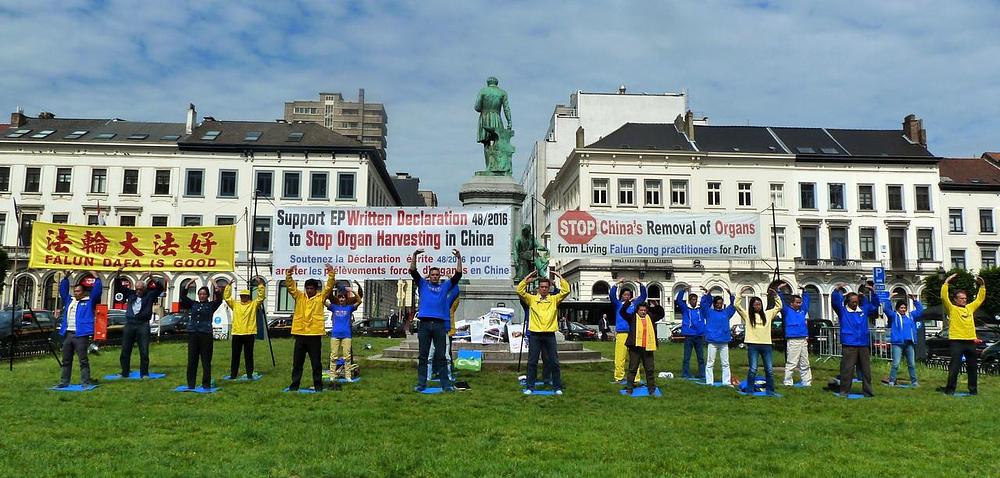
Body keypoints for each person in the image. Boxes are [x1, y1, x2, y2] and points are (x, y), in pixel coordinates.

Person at [410, 248, 463, 392]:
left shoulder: (444, 286)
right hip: (425, 324)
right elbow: (413, 270)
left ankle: (446, 384)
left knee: (441, 356)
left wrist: (459, 258)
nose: (434, 277)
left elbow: (458, 275)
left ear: (440, 277)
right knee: (423, 356)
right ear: (429, 276)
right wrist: (414, 255)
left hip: (439, 325)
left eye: (436, 275)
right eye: (432, 275)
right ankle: (421, 384)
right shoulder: (423, 284)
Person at [517, 270, 571, 395]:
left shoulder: (554, 299)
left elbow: (566, 290)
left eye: (546, 287)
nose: (544, 289)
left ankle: (557, 386)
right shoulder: (531, 299)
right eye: (542, 287)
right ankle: (530, 387)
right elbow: (519, 291)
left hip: (549, 335)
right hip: (535, 335)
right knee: (532, 362)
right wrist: (527, 278)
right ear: (538, 288)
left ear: (549, 288)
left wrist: (560, 277)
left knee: (554, 362)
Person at [286, 264, 336, 391]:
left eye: (311, 288)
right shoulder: (299, 296)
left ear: (316, 289)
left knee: (316, 363)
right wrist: (289, 274)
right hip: (300, 334)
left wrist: (331, 274)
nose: (309, 290)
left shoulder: (321, 297)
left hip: (314, 335)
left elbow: (329, 287)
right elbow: (291, 287)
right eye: (307, 288)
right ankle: (294, 385)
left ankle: (318, 386)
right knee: (297, 363)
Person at [939, 273, 986, 395]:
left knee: (972, 367)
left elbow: (979, 299)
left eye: (965, 298)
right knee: (955, 367)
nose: (964, 300)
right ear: (955, 299)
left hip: (970, 341)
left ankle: (973, 391)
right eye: (961, 298)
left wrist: (982, 286)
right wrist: (946, 283)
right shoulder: (952, 308)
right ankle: (950, 390)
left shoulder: (970, 308)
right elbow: (944, 297)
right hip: (957, 341)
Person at [57, 271, 103, 388]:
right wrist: (66, 277)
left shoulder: (88, 301)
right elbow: (62, 291)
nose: (76, 293)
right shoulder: (69, 300)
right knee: (66, 360)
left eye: (78, 291)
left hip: (81, 334)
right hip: (68, 333)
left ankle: (85, 382)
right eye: (75, 291)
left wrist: (96, 277)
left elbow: (97, 291)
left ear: (83, 293)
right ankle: (64, 381)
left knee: (83, 360)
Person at [831, 283, 878, 397]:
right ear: (848, 301)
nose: (855, 303)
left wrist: (873, 293)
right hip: (849, 343)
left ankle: (868, 392)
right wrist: (838, 290)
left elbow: (875, 305)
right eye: (853, 301)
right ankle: (844, 391)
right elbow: (835, 302)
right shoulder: (843, 311)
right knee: (847, 370)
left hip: (863, 343)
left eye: (856, 301)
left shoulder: (863, 309)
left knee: (866, 370)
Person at [735, 288, 782, 395]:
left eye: (759, 304)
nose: (758, 306)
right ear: (752, 306)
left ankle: (770, 391)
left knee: (769, 370)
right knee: (753, 369)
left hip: (766, 345)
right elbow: (737, 306)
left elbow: (779, 307)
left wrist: (776, 296)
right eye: (756, 304)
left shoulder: (768, 314)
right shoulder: (747, 315)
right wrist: (740, 294)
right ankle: (750, 390)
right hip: (753, 345)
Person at [180, 281, 223, 390]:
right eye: (200, 294)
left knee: (206, 361)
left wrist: (217, 290)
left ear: (207, 295)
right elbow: (183, 297)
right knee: (192, 361)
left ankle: (206, 384)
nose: (202, 296)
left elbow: (219, 300)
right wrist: (187, 286)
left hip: (206, 335)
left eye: (204, 294)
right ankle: (191, 384)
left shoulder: (211, 305)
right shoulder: (194, 304)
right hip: (193, 334)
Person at [223, 280, 266, 380]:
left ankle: (249, 374)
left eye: (245, 296)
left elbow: (261, 297)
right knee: (235, 356)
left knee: (249, 355)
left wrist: (260, 285)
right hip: (237, 333)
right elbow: (227, 297)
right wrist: (228, 286)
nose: (243, 297)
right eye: (242, 296)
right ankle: (233, 374)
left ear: (248, 297)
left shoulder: (253, 304)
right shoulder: (235, 304)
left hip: (249, 333)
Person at [120, 272, 160, 378]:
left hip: (143, 324)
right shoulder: (131, 294)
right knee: (125, 350)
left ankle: (144, 373)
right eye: (137, 289)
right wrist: (119, 273)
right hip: (130, 324)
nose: (138, 291)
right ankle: (125, 372)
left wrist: (151, 277)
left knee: (144, 350)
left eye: (140, 289)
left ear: (145, 289)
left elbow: (160, 288)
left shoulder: (149, 295)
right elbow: (118, 285)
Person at [882, 294, 924, 387]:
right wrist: (889, 299)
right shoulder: (894, 316)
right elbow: (886, 310)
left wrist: (915, 300)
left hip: (909, 343)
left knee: (912, 364)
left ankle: (914, 382)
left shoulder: (911, 315)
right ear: (897, 308)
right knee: (896, 364)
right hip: (898, 343)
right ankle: (892, 381)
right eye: (901, 308)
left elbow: (920, 311)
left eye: (905, 308)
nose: (903, 309)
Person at [610, 280, 647, 384]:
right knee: (619, 357)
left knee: (634, 357)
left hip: (632, 333)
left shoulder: (634, 304)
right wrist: (617, 283)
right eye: (625, 294)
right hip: (621, 333)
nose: (627, 296)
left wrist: (641, 284)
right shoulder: (618, 304)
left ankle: (636, 378)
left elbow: (643, 296)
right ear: (621, 295)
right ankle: (619, 377)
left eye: (629, 295)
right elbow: (612, 295)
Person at [619, 301, 657, 396]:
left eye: (645, 310)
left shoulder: (650, 317)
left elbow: (661, 314)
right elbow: (622, 312)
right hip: (635, 348)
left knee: (650, 369)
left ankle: (651, 389)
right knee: (632, 369)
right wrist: (628, 302)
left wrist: (656, 305)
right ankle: (629, 389)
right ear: (637, 310)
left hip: (648, 348)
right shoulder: (632, 318)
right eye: (641, 310)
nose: (643, 312)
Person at [327, 280, 362, 380]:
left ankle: (348, 376)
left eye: (343, 297)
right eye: (340, 297)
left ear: (346, 299)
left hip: (347, 335)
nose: (341, 299)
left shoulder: (349, 308)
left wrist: (353, 291)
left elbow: (359, 301)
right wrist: (332, 285)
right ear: (338, 298)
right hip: (335, 335)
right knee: (333, 356)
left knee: (347, 357)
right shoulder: (334, 307)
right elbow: (323, 299)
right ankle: (332, 376)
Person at [779, 282, 813, 387]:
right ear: (791, 303)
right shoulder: (786, 310)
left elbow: (806, 301)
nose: (800, 304)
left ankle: (806, 382)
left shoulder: (802, 310)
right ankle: (788, 382)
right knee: (792, 362)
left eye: (800, 302)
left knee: (805, 362)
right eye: (797, 302)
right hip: (793, 339)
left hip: (803, 339)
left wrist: (805, 291)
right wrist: (779, 290)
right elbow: (780, 301)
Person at [701, 289, 735, 386]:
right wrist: (707, 295)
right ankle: (709, 382)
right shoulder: (709, 312)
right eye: (718, 303)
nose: (720, 304)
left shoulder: (726, 312)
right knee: (710, 362)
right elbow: (703, 305)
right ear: (714, 304)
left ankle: (726, 382)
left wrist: (731, 295)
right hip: (712, 341)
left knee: (725, 363)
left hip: (724, 341)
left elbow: (734, 306)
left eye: (721, 303)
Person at [676, 286, 706, 379]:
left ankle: (702, 374)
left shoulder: (700, 310)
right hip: (689, 336)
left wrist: (706, 293)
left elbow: (707, 303)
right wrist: (683, 290)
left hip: (699, 336)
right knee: (686, 357)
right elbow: (679, 300)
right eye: (692, 299)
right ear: (689, 300)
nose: (694, 301)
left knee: (701, 357)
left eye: (695, 299)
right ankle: (685, 374)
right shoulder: (685, 309)